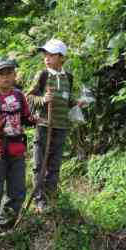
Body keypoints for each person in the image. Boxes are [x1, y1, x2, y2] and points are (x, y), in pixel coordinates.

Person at [0, 57, 36, 241]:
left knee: (17, 191)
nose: (6, 77)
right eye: (1, 73)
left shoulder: (19, 96)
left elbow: (26, 118)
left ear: (14, 75)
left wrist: (37, 119)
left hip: (17, 151)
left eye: (9, 73)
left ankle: (5, 225)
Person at [26, 39, 85, 211]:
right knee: (40, 163)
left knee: (55, 164)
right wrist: (43, 99)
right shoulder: (43, 75)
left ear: (62, 58)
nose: (47, 58)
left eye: (51, 55)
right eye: (45, 54)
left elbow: (66, 100)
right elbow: (28, 96)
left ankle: (51, 196)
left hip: (61, 126)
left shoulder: (68, 78)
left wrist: (76, 103)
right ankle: (39, 199)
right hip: (44, 125)